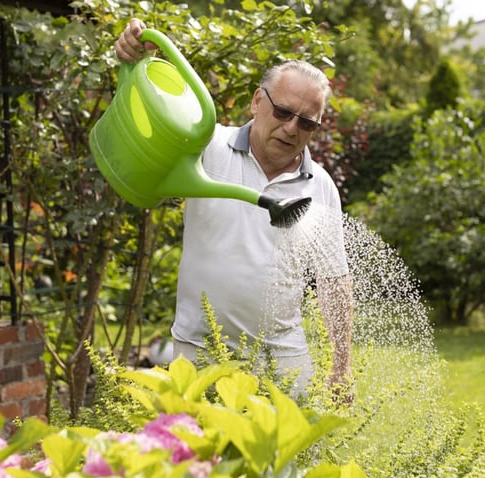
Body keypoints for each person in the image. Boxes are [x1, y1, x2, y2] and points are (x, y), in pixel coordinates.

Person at [114, 18, 353, 399]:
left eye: (307, 123)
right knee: (197, 456)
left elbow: (334, 281)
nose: (292, 129)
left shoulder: (319, 186)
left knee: (290, 457)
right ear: (257, 102)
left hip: (282, 356)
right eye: (283, 113)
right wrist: (129, 59)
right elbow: (144, 130)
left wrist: (341, 367)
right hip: (199, 352)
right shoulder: (206, 147)